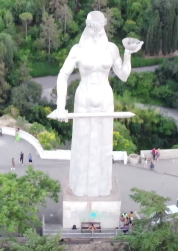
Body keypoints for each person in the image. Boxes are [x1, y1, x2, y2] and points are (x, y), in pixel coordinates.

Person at [51, 11, 143, 197]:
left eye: (99, 27)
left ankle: (102, 188)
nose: (95, 31)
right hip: (83, 98)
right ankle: (79, 188)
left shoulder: (111, 49)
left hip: (105, 99)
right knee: (82, 144)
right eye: (92, 27)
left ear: (104, 26)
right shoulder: (78, 50)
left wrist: (127, 54)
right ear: (87, 26)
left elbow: (124, 76)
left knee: (103, 145)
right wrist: (61, 106)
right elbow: (63, 75)